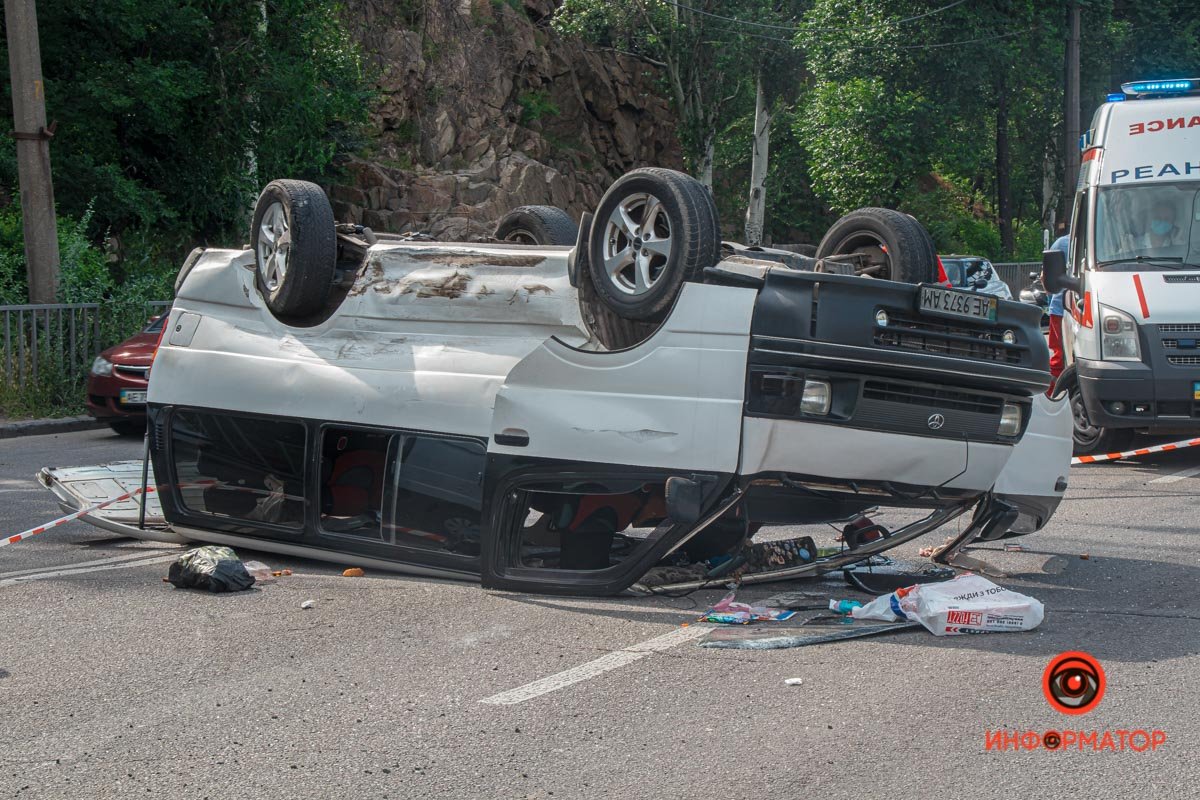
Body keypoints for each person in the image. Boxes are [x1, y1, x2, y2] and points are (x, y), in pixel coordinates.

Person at [1047, 223, 1069, 391]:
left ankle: (1053, 394)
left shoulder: (1062, 243)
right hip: (1068, 309)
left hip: (1061, 309)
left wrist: (1050, 299)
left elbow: (1047, 278)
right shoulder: (1107, 239)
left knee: (1059, 359)